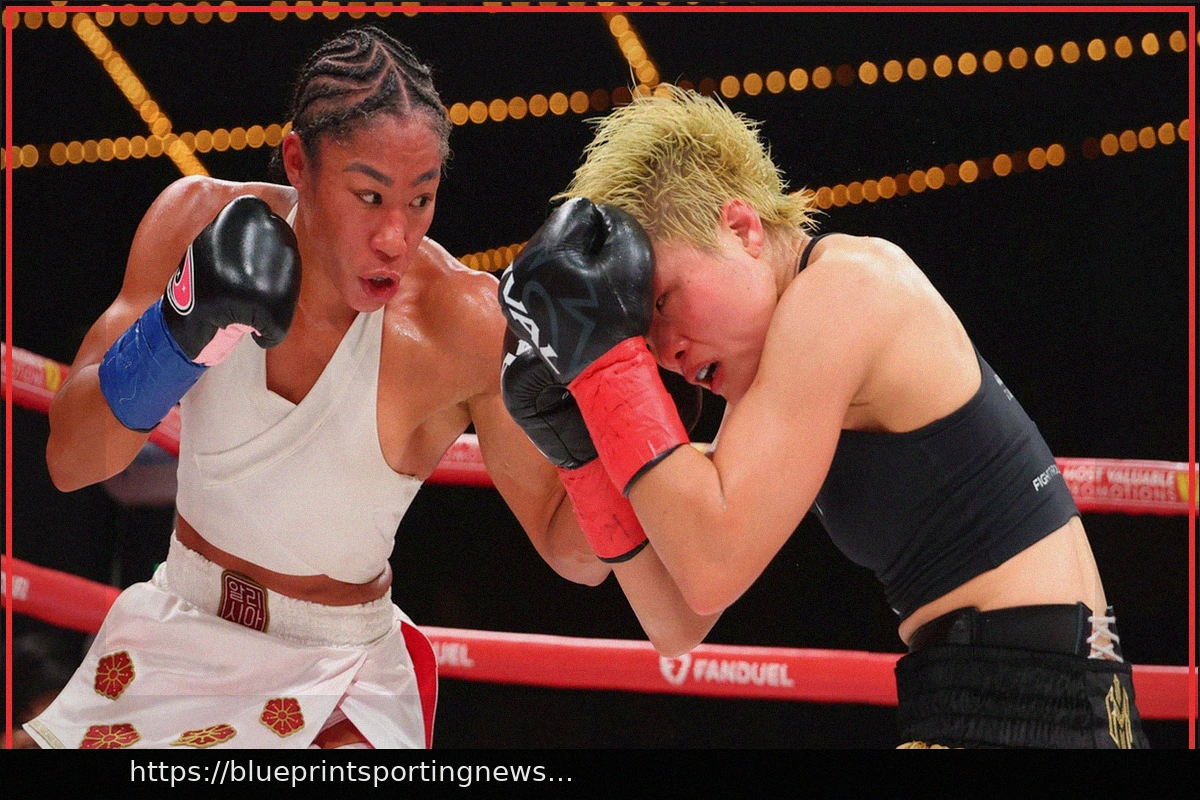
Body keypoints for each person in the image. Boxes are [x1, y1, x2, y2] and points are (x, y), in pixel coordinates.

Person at [25, 27, 712, 751]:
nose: (395, 235)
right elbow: (72, 460)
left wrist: (623, 404)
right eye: (370, 195)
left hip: (336, 674)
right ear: (299, 162)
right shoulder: (193, 221)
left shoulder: (460, 324)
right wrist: (177, 329)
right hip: (180, 628)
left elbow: (575, 553)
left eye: (421, 200)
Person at [498, 85, 1149, 749]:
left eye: (663, 301)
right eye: (642, 335)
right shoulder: (772, 377)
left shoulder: (843, 290)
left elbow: (711, 565)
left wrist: (606, 370)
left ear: (743, 229)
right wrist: (585, 454)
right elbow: (677, 622)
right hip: (1011, 695)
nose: (666, 353)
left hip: (1028, 700)